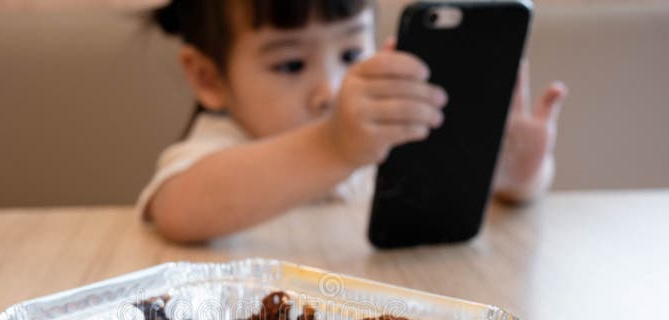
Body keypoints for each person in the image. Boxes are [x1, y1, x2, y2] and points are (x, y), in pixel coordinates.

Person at [139, 0, 567, 243]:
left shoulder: (390, 128)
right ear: (208, 77)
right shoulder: (218, 142)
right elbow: (180, 213)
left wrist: (513, 175)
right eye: (290, 64)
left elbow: (463, 206)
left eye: (350, 55)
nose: (331, 90)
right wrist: (331, 146)